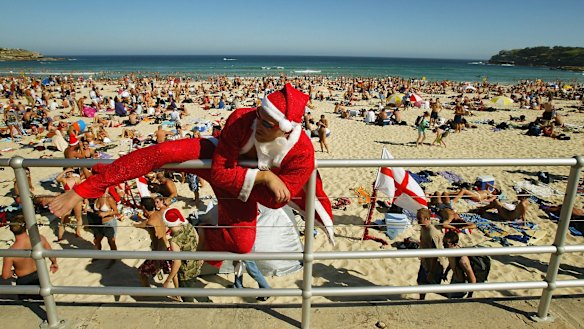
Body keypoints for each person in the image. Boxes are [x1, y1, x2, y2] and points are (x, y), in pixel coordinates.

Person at [48, 83, 334, 264]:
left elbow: (275, 202)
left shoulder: (302, 153)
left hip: (238, 185)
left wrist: (256, 180)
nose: (258, 124)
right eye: (260, 115)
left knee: (243, 245)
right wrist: (264, 176)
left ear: (285, 128)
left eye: (268, 123)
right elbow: (221, 172)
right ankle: (89, 185)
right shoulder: (242, 118)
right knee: (160, 154)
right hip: (219, 160)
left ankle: (210, 234)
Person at [2, 215, 59, 300]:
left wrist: (14, 271)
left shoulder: (10, 252)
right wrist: (54, 263)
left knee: (26, 306)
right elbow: (51, 254)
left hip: (23, 280)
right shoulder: (39, 239)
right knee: (45, 301)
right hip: (40, 275)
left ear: (11, 230)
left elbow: (5, 276)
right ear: (26, 227)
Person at [163, 207, 203, 302]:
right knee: (195, 289)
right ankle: (208, 302)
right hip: (196, 265)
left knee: (187, 297)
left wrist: (168, 280)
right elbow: (198, 241)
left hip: (185, 273)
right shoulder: (189, 226)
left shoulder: (175, 240)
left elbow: (177, 262)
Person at [134, 197, 176, 289]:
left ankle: (147, 291)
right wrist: (135, 225)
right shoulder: (159, 214)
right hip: (167, 247)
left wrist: (155, 256)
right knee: (172, 273)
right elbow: (145, 223)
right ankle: (177, 291)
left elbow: (156, 238)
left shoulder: (151, 222)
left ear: (144, 207)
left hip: (159, 250)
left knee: (142, 273)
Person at [417, 208, 447, 300]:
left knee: (434, 287)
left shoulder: (432, 233)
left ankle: (456, 296)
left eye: (420, 219)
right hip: (426, 261)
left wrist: (431, 271)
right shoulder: (423, 228)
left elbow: (436, 255)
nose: (418, 221)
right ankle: (421, 300)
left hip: (434, 265)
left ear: (426, 218)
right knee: (421, 283)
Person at [88, 190, 119, 267]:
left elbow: (116, 211)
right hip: (98, 222)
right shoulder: (96, 197)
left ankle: (114, 258)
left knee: (111, 242)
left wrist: (106, 213)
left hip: (109, 223)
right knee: (97, 240)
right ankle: (98, 255)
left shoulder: (109, 198)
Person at [441, 231, 476, 298]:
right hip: (454, 279)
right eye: (443, 242)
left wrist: (470, 295)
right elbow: (452, 263)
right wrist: (446, 273)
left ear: (454, 244)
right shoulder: (450, 251)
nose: (443, 245)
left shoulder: (462, 259)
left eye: (446, 244)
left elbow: (472, 277)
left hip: (461, 284)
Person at [55, 167, 84, 239]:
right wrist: (65, 171)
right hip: (67, 200)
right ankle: (60, 237)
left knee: (78, 217)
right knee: (64, 218)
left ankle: (78, 232)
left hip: (77, 199)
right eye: (67, 172)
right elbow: (57, 179)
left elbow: (82, 188)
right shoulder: (64, 180)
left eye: (70, 172)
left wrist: (84, 200)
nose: (69, 173)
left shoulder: (76, 179)